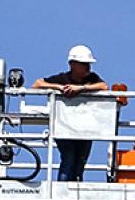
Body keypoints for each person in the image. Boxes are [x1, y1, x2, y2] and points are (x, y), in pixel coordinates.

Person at [32, 45, 108, 181]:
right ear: (72, 64)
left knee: (80, 160)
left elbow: (104, 86)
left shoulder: (92, 78)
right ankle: (63, 191)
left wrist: (81, 88)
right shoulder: (62, 79)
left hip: (85, 128)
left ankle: (75, 190)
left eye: (88, 64)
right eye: (84, 64)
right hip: (64, 127)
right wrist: (59, 87)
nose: (88, 67)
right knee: (69, 156)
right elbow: (37, 84)